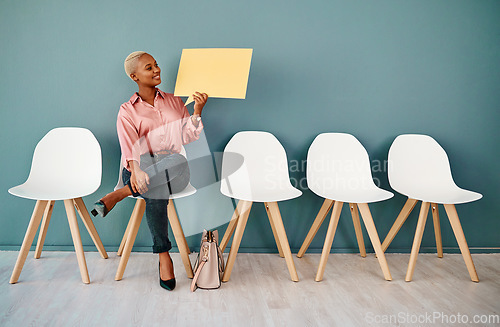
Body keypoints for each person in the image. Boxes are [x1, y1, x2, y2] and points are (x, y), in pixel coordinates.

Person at [92, 51, 208, 291]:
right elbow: (129, 147)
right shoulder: (127, 110)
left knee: (175, 161)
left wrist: (197, 112)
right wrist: (135, 171)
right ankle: (164, 256)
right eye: (149, 67)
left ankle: (121, 194)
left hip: (175, 167)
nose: (156, 70)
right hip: (139, 168)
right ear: (134, 76)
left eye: (156, 65)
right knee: (156, 190)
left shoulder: (176, 101)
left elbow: (187, 136)